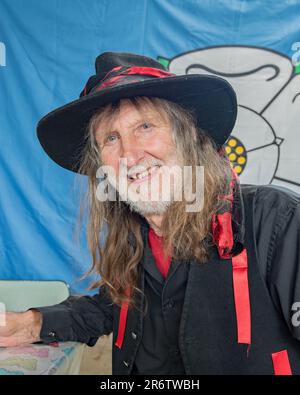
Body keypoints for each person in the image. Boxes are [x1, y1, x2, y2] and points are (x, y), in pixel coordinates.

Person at [1, 52, 300, 375]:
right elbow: (112, 306)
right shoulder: (136, 235)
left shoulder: (275, 221)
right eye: (111, 138)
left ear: (191, 138)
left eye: (145, 126)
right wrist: (28, 324)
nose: (129, 154)